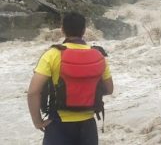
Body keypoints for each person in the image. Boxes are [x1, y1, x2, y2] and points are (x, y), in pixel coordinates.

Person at [27, 12, 113, 145]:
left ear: (62, 29)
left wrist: (37, 122)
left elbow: (33, 92)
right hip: (88, 125)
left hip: (58, 124)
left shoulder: (52, 54)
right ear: (84, 30)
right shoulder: (98, 55)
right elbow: (109, 89)